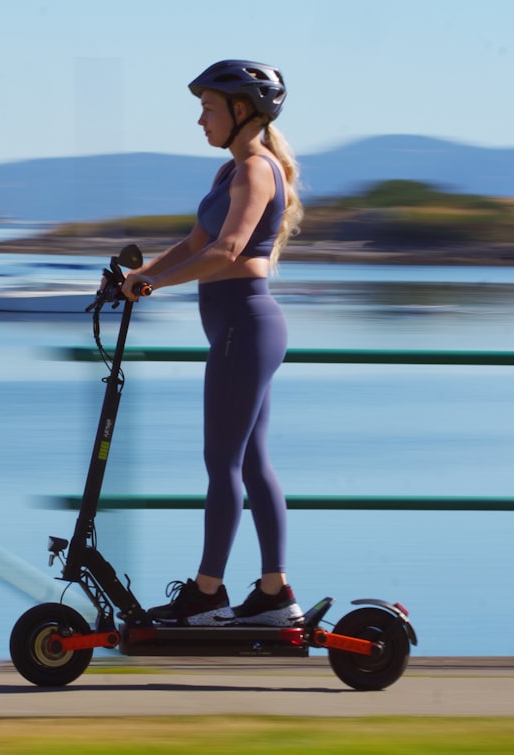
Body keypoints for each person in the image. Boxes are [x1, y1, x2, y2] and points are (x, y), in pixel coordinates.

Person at [120, 60, 304, 627]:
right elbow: (196, 241)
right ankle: (274, 592)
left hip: (244, 326)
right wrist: (140, 274)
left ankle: (207, 592)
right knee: (249, 462)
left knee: (221, 461)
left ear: (242, 111)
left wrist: (153, 283)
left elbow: (226, 251)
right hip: (240, 328)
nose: (200, 120)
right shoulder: (229, 175)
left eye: (209, 109)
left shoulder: (255, 170)